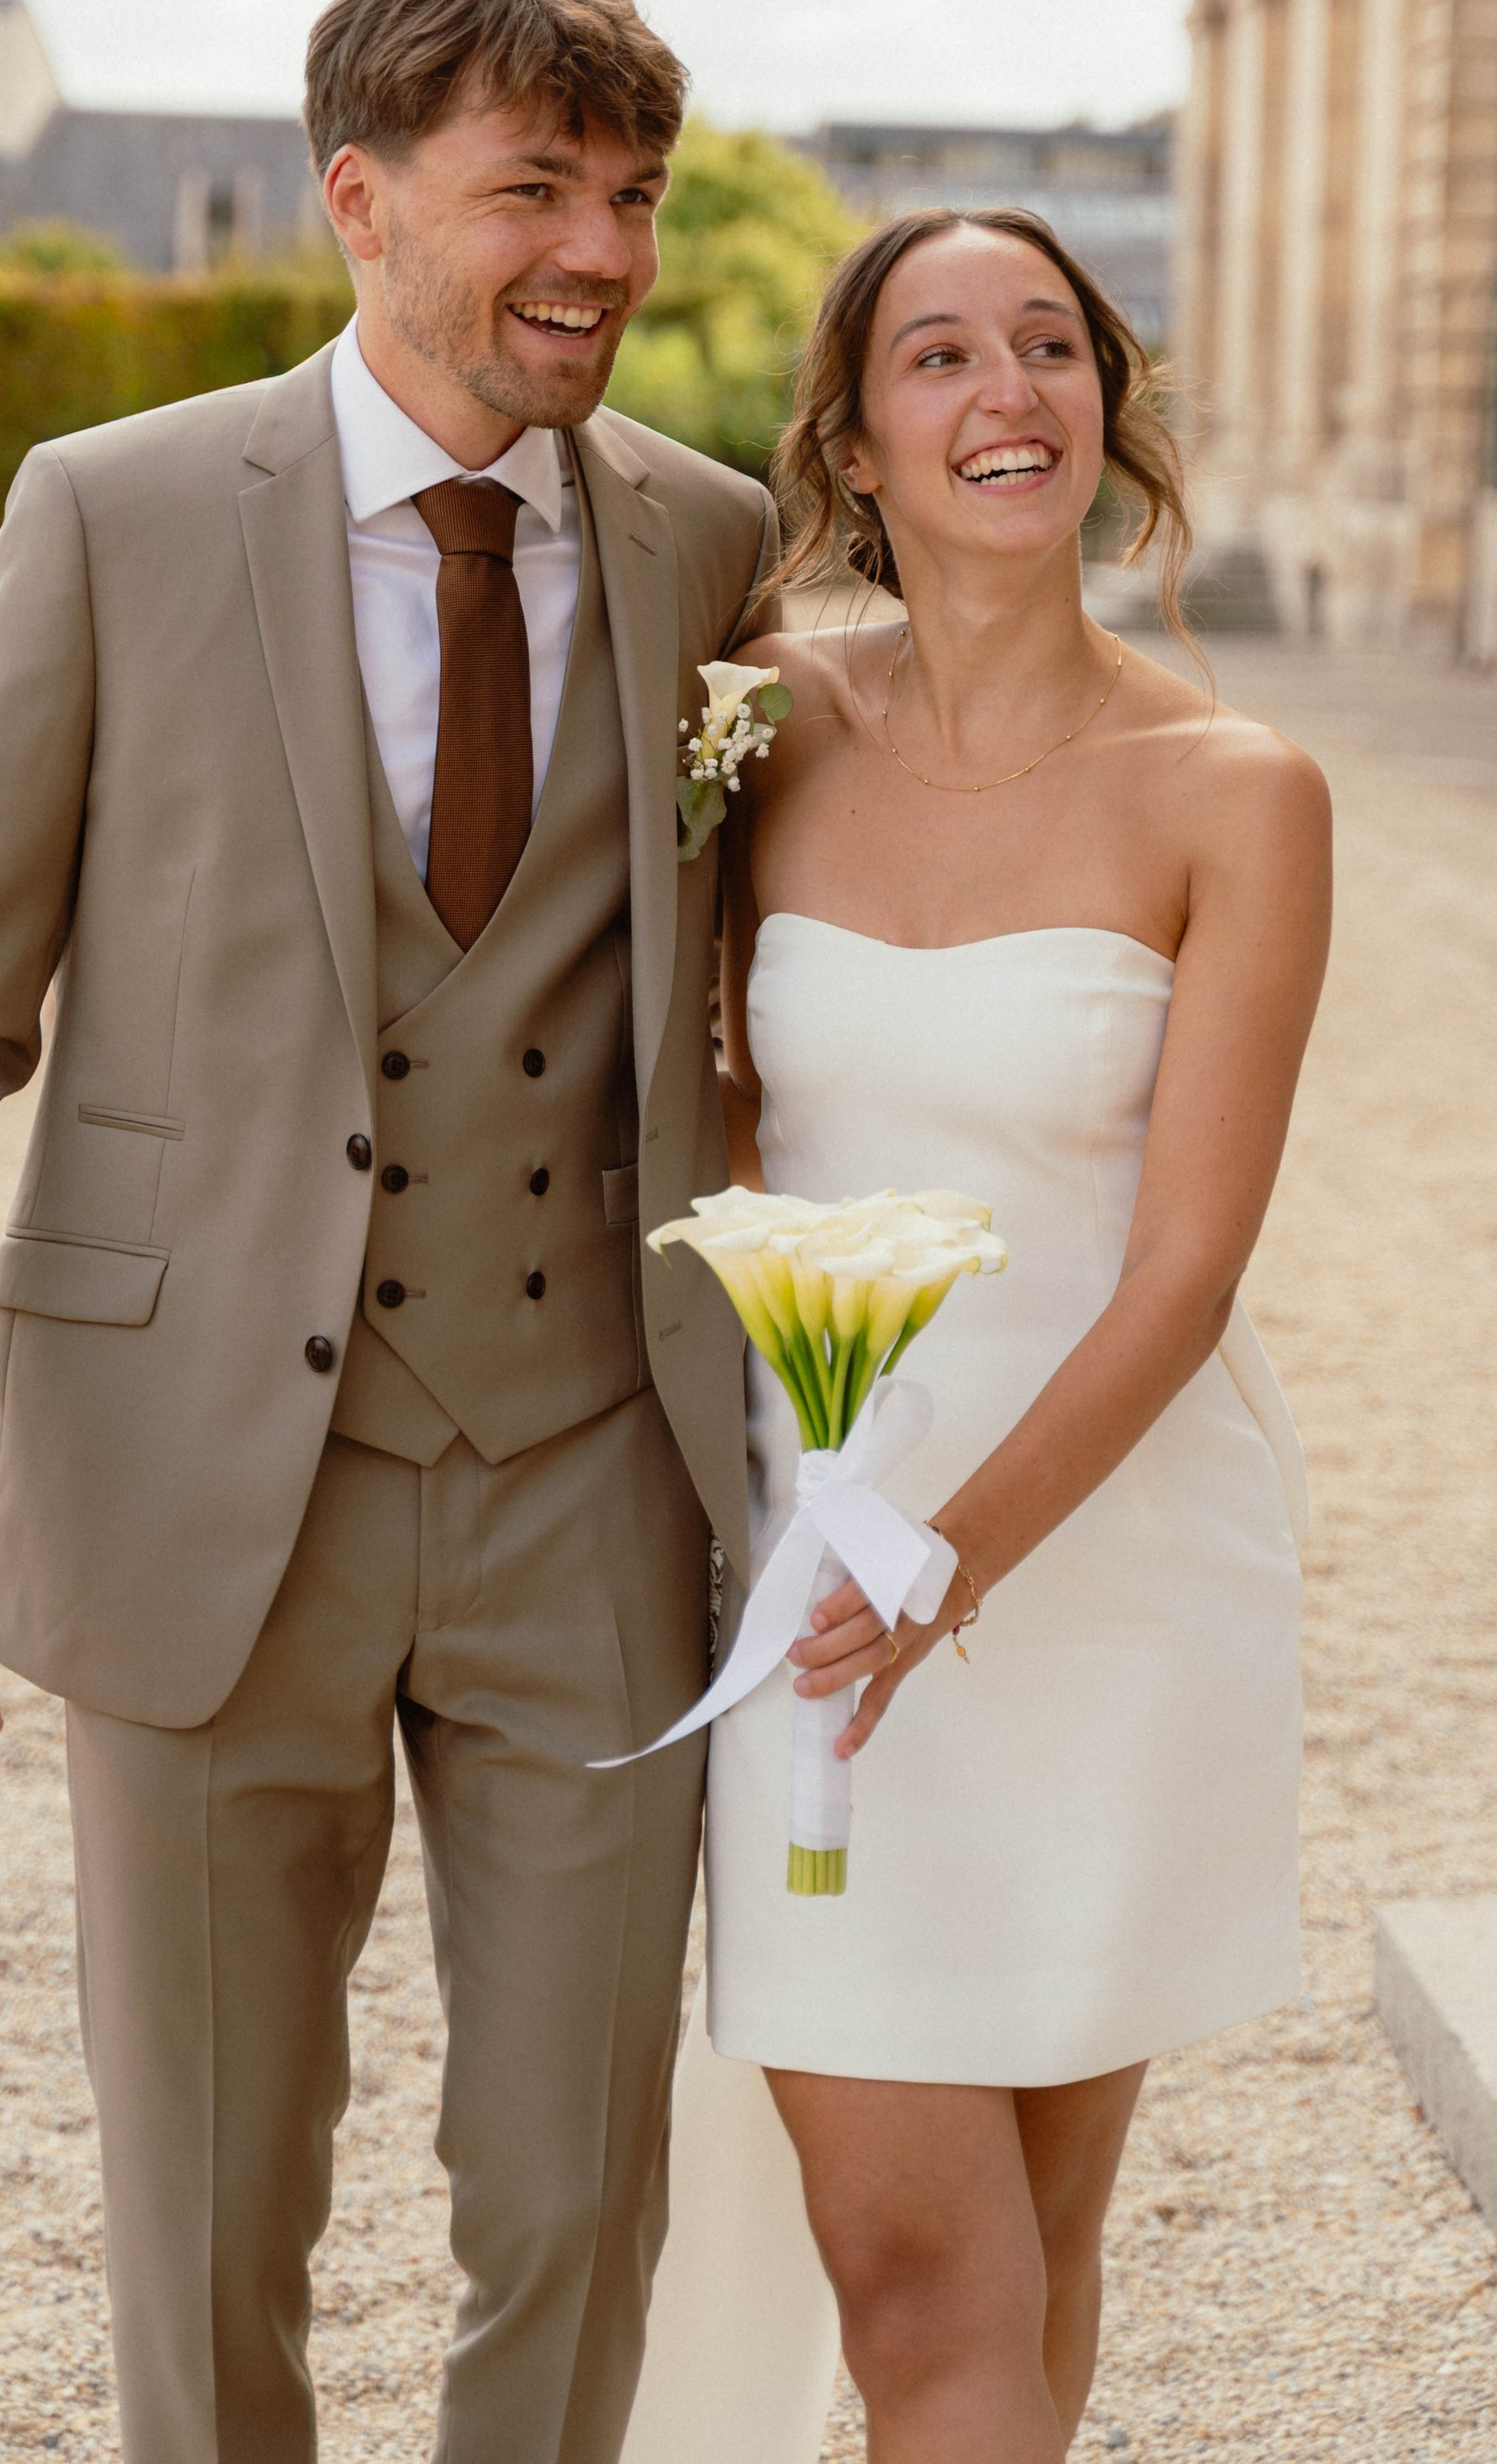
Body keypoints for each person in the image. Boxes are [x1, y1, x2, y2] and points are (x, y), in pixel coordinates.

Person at [0, 0, 778, 2464]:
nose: (603, 255)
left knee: (573, 2195)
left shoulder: (714, 543)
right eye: (535, 185)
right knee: (210, 2220)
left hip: (592, 1485)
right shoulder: (108, 517)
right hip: (201, 1474)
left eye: (637, 197)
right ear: (359, 198)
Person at [623, 206, 1326, 2464]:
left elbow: (1189, 1270)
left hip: (1098, 1577)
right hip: (807, 1583)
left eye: (1049, 345)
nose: (1004, 392)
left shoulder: (1240, 795)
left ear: (1107, 411)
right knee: (923, 2273)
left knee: (1032, 2251)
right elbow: (674, 1097)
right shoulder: (758, 729)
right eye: (940, 357)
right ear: (856, 438)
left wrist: (948, 1562)